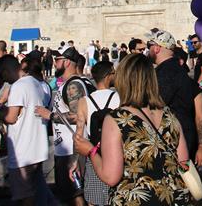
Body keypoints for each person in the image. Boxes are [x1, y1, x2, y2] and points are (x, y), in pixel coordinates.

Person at [74, 53, 192, 205]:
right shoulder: (169, 115)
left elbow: (110, 176)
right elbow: (184, 164)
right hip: (173, 199)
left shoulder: (117, 119)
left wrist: (90, 151)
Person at [37, 46, 93, 206]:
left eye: (57, 60)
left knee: (74, 195)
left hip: (71, 150)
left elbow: (78, 116)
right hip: (69, 148)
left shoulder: (73, 85)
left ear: (67, 62)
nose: (54, 63)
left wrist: (50, 115)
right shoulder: (77, 83)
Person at [0, 53, 55, 205]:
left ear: (7, 69)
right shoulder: (35, 83)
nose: (3, 78)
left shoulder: (18, 86)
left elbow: (11, 117)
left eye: (2, 73)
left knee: (24, 196)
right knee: (40, 191)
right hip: (37, 148)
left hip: (22, 152)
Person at [147, 29, 202, 168]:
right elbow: (201, 117)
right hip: (189, 139)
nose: (147, 49)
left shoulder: (161, 75)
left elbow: (153, 109)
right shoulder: (183, 74)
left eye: (149, 45)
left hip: (170, 145)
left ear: (157, 48)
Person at [74, 60, 120, 206]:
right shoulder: (119, 98)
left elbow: (79, 136)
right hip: (116, 155)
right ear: (108, 76)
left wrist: (77, 161)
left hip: (94, 155)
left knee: (93, 200)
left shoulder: (84, 101)